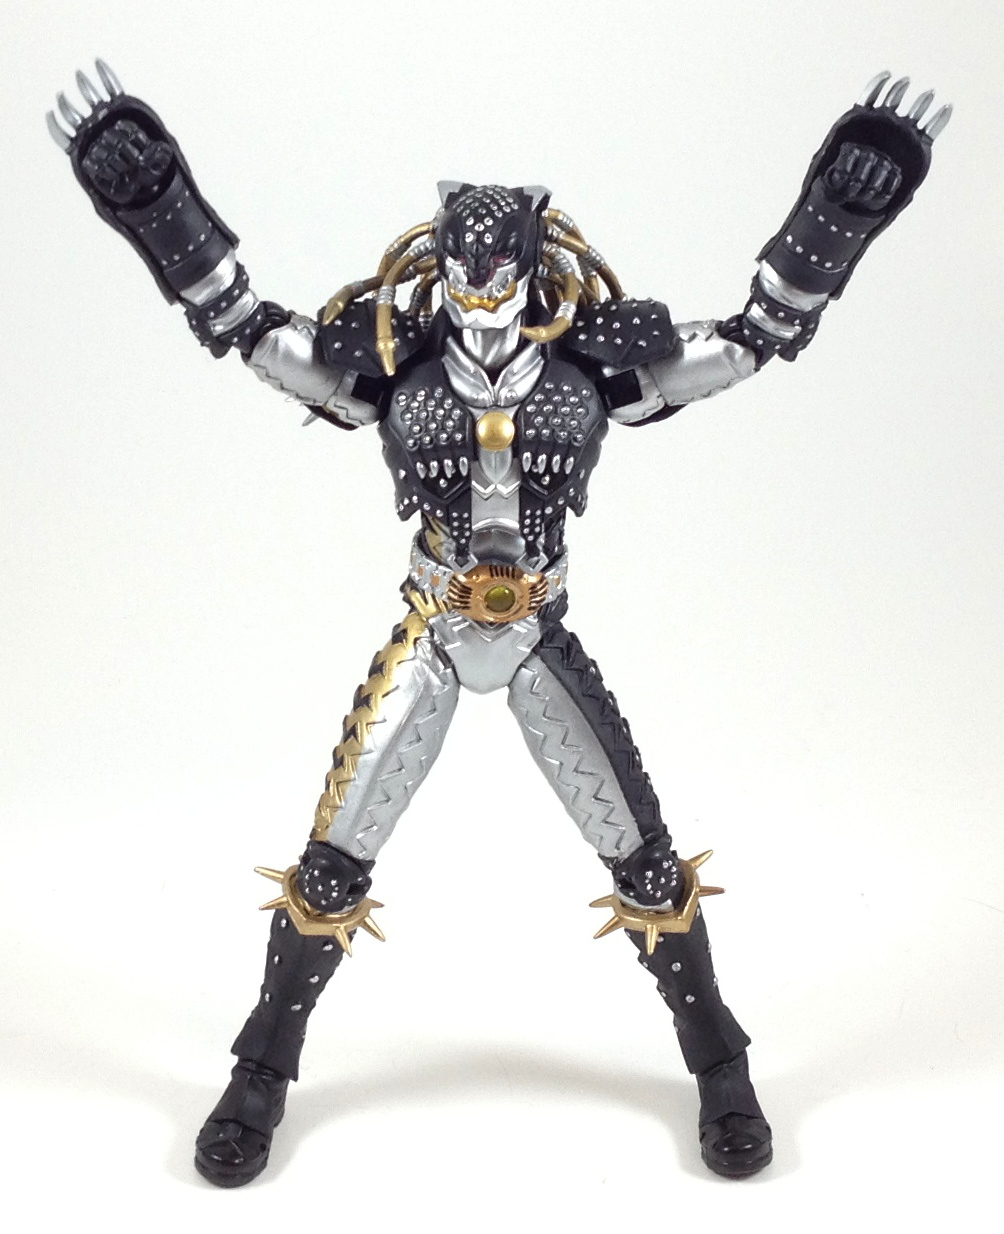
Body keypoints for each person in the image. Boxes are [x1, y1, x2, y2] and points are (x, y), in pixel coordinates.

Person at [48, 62, 949, 1185]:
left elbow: (749, 340)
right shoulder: (391, 367)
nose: (481, 296)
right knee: (329, 870)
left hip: (533, 636)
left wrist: (831, 218)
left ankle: (719, 1062)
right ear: (438, 268)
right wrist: (159, 208)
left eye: (500, 271)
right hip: (434, 628)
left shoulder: (594, 372)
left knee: (647, 865)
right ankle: (262, 1069)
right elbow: (250, 332)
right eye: (464, 272)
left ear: (532, 270)